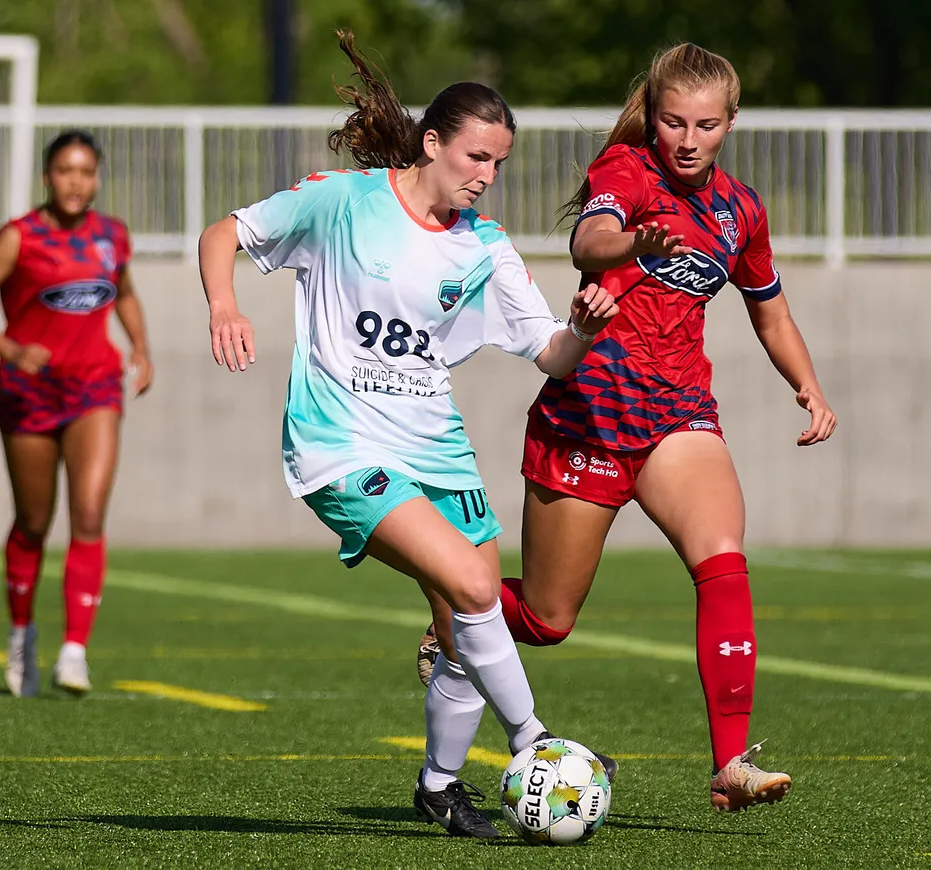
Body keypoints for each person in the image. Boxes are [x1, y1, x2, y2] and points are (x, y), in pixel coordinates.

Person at [197, 30, 619, 839]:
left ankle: (439, 785)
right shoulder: (342, 200)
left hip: (437, 447)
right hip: (340, 443)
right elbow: (228, 233)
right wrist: (224, 303)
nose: (486, 177)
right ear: (432, 143)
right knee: (473, 587)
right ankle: (536, 741)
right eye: (475, 157)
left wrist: (584, 325)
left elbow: (554, 358)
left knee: (468, 622)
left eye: (499, 163)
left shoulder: (485, 249)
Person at [417, 42, 838, 813]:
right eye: (673, 120)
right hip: (588, 418)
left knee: (723, 559)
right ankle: (455, 612)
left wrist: (807, 385)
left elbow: (768, 308)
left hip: (679, 417)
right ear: (655, 113)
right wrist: (636, 243)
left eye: (705, 125)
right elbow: (587, 243)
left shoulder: (739, 209)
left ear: (730, 122)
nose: (687, 138)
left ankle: (731, 761)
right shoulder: (626, 171)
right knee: (546, 620)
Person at [0, 130, 153, 699]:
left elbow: (126, 292)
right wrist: (12, 349)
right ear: (48, 176)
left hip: (95, 388)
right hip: (29, 392)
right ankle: (22, 635)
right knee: (34, 523)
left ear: (97, 177)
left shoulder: (111, 235)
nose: (76, 181)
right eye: (66, 170)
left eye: (87, 171)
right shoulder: (19, 237)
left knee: (88, 514)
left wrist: (139, 346)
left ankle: (75, 651)